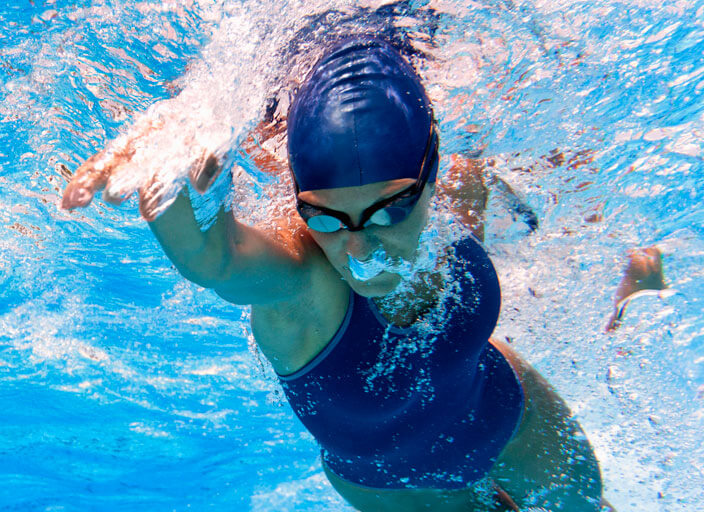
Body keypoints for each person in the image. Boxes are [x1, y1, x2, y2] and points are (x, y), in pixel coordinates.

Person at [62, 34, 609, 511]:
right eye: (324, 216)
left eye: (390, 209)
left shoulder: (455, 194)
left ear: (432, 173)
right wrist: (172, 155)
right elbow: (217, 258)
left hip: (509, 414)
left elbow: (499, 190)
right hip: (397, 487)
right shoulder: (305, 283)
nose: (358, 247)